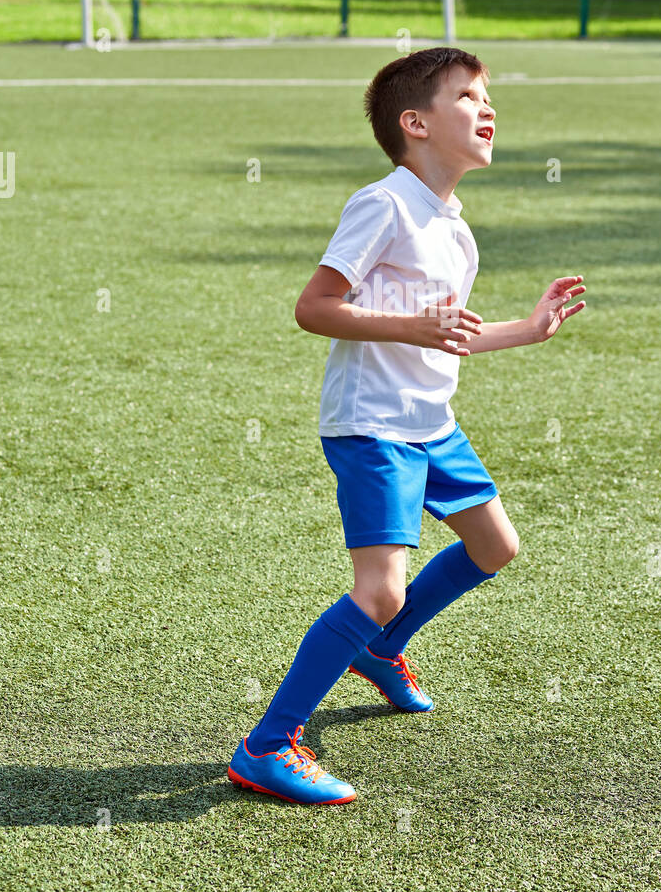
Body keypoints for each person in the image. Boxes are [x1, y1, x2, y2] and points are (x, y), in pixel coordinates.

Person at [228, 46, 586, 804]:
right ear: (415, 123)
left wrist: (526, 329)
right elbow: (314, 308)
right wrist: (404, 326)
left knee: (494, 545)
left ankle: (383, 650)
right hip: (373, 428)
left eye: (488, 97)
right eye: (468, 96)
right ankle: (267, 745)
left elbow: (446, 333)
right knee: (380, 588)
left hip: (432, 424)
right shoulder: (383, 204)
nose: (487, 109)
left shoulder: (454, 228)